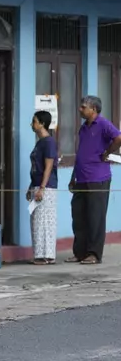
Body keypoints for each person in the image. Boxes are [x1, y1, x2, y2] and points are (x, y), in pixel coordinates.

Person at [66, 96, 121, 265]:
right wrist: (73, 176)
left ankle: (94, 254)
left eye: (83, 107)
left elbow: (118, 138)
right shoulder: (83, 128)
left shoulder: (103, 124)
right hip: (81, 178)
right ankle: (80, 252)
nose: (80, 109)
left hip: (98, 178)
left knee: (95, 217)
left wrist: (107, 153)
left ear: (94, 109)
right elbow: (81, 153)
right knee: (79, 216)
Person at [26, 111, 59, 265]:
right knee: (36, 221)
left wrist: (42, 188)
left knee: (44, 221)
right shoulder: (39, 142)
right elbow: (36, 168)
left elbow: (48, 166)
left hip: (46, 187)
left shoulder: (49, 142)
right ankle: (41, 254)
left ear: (42, 123)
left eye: (34, 121)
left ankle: (45, 255)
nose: (32, 124)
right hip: (37, 185)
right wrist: (31, 187)